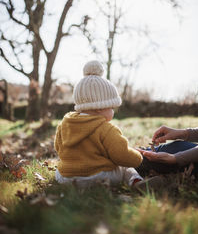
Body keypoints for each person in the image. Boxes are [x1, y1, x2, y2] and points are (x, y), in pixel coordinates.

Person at [54, 60, 161, 190]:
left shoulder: (64, 125)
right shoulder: (106, 129)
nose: (113, 112)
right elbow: (122, 156)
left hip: (66, 178)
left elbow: (58, 148)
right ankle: (136, 182)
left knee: (59, 170)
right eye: (111, 107)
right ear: (99, 108)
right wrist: (139, 157)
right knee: (124, 167)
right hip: (98, 177)